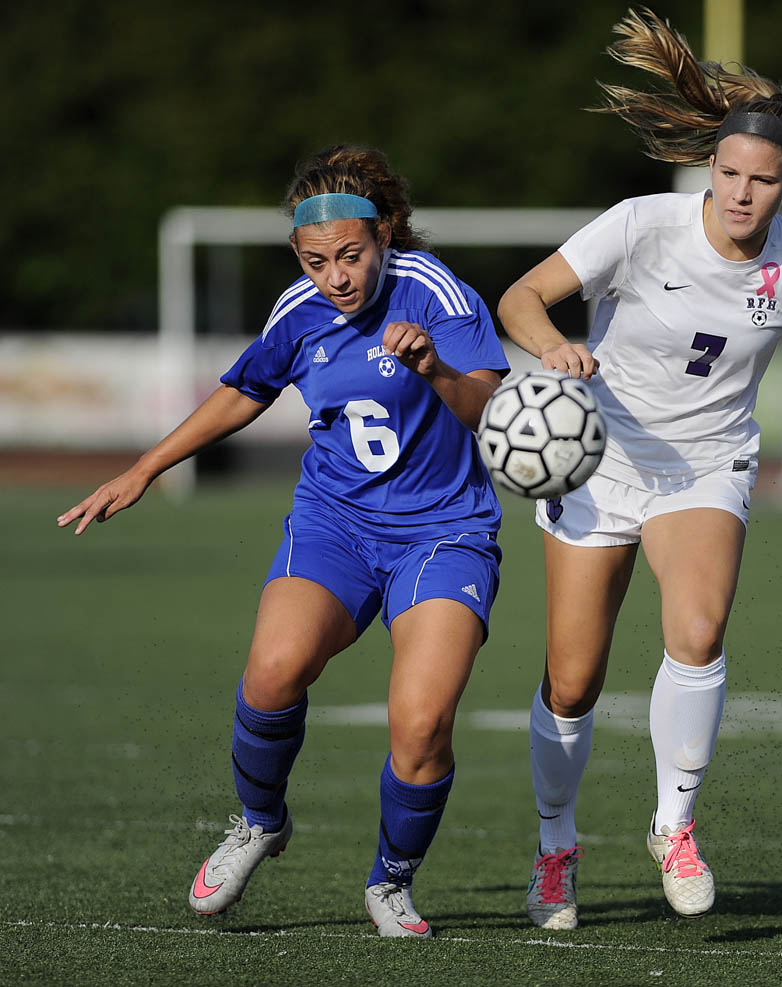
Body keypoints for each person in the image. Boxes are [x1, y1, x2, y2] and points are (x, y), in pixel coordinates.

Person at [496, 7, 782, 929]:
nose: (741, 195)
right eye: (727, 174)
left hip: (708, 464)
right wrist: (555, 347)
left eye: (762, 182)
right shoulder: (642, 226)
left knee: (700, 627)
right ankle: (556, 846)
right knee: (571, 679)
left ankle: (674, 825)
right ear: (707, 166)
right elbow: (521, 297)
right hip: (599, 460)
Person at [57, 145, 509, 938]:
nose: (335, 276)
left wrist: (434, 367)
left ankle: (391, 881)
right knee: (271, 671)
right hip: (337, 521)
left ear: (385, 236)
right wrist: (144, 468)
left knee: (421, 720)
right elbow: (242, 392)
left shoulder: (436, 292)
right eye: (315, 260)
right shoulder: (298, 311)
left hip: (444, 530)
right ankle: (259, 820)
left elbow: (485, 406)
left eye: (350, 256)